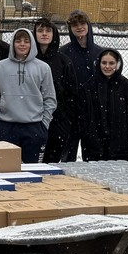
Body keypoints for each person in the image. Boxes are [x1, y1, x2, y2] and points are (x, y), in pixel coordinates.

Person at [0, 28, 56, 163]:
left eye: (26, 41)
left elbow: (49, 99)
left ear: (32, 44)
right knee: (5, 169)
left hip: (34, 127)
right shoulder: (0, 67)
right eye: (18, 41)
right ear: (12, 44)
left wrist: (44, 124)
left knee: (32, 172)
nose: (22, 44)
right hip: (6, 126)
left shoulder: (43, 68)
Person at [79, 49, 128, 162]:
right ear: (98, 64)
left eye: (111, 63)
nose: (107, 67)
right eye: (104, 63)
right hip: (93, 148)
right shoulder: (88, 88)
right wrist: (88, 135)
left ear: (118, 64)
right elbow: (82, 116)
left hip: (121, 148)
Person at [59, 10, 103, 161]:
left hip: (93, 113)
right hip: (71, 113)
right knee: (67, 158)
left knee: (93, 158)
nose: (79, 27)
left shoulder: (100, 53)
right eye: (75, 24)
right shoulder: (63, 53)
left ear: (88, 25)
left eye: (82, 23)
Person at [33, 17, 78, 163]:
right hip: (31, 121)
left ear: (54, 34)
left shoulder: (64, 61)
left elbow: (71, 94)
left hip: (57, 122)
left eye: (48, 31)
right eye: (40, 30)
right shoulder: (27, 60)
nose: (44, 34)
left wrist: (65, 121)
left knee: (51, 165)